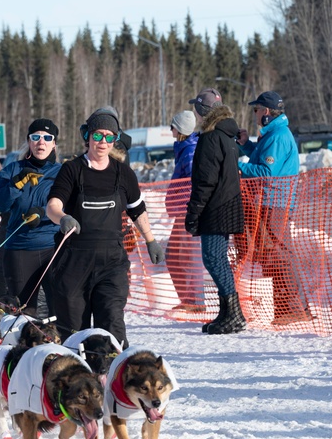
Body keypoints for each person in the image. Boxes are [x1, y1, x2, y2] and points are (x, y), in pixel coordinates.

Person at [45, 108, 165, 347]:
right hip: (74, 263)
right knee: (74, 332)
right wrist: (62, 218)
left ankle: (111, 378)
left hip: (111, 263)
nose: (102, 142)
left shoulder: (123, 173)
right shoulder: (72, 170)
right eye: (98, 135)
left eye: (109, 136)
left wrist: (150, 239)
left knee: (111, 325)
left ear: (115, 139)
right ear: (88, 136)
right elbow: (53, 205)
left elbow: (137, 209)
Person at [236, 90, 310, 326]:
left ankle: (291, 307)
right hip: (271, 201)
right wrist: (247, 146)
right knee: (276, 253)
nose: (255, 114)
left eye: (256, 110)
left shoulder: (278, 135)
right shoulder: (273, 134)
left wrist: (238, 166)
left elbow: (267, 173)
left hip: (275, 202)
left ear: (266, 111)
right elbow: (262, 160)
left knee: (280, 254)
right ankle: (288, 307)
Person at [184, 92, 246, 335]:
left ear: (202, 111)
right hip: (227, 204)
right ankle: (228, 312)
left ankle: (234, 314)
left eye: (197, 110)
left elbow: (205, 181)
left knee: (213, 259)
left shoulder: (211, 138)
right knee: (217, 259)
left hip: (216, 207)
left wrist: (194, 212)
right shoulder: (226, 135)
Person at [0, 118, 62, 317]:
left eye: (47, 137)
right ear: (29, 141)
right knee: (23, 314)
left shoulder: (63, 173)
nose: (41, 142)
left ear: (54, 143)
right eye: (36, 137)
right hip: (19, 250)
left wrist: (42, 212)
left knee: (60, 310)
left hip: (53, 248)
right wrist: (15, 185)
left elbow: (70, 205)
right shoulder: (13, 170)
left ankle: (62, 348)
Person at [165, 110, 204, 313]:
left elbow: (191, 183)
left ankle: (195, 300)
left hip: (187, 211)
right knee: (175, 255)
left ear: (179, 129)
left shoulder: (190, 151)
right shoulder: (183, 148)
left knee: (186, 256)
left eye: (172, 126)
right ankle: (189, 299)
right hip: (181, 211)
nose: (170, 129)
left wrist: (187, 208)